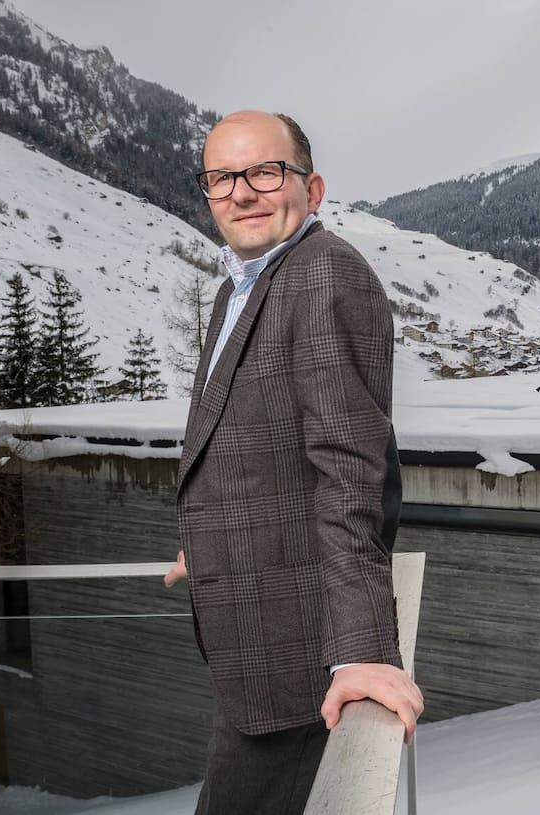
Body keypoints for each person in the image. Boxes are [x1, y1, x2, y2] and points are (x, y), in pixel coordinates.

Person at [163, 110, 423, 815]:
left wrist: (365, 648)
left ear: (311, 187)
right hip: (256, 630)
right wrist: (211, 541)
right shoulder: (241, 286)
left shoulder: (323, 274)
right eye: (221, 177)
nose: (240, 192)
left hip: (301, 647)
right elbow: (262, 450)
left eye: (262, 172)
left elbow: (350, 469)